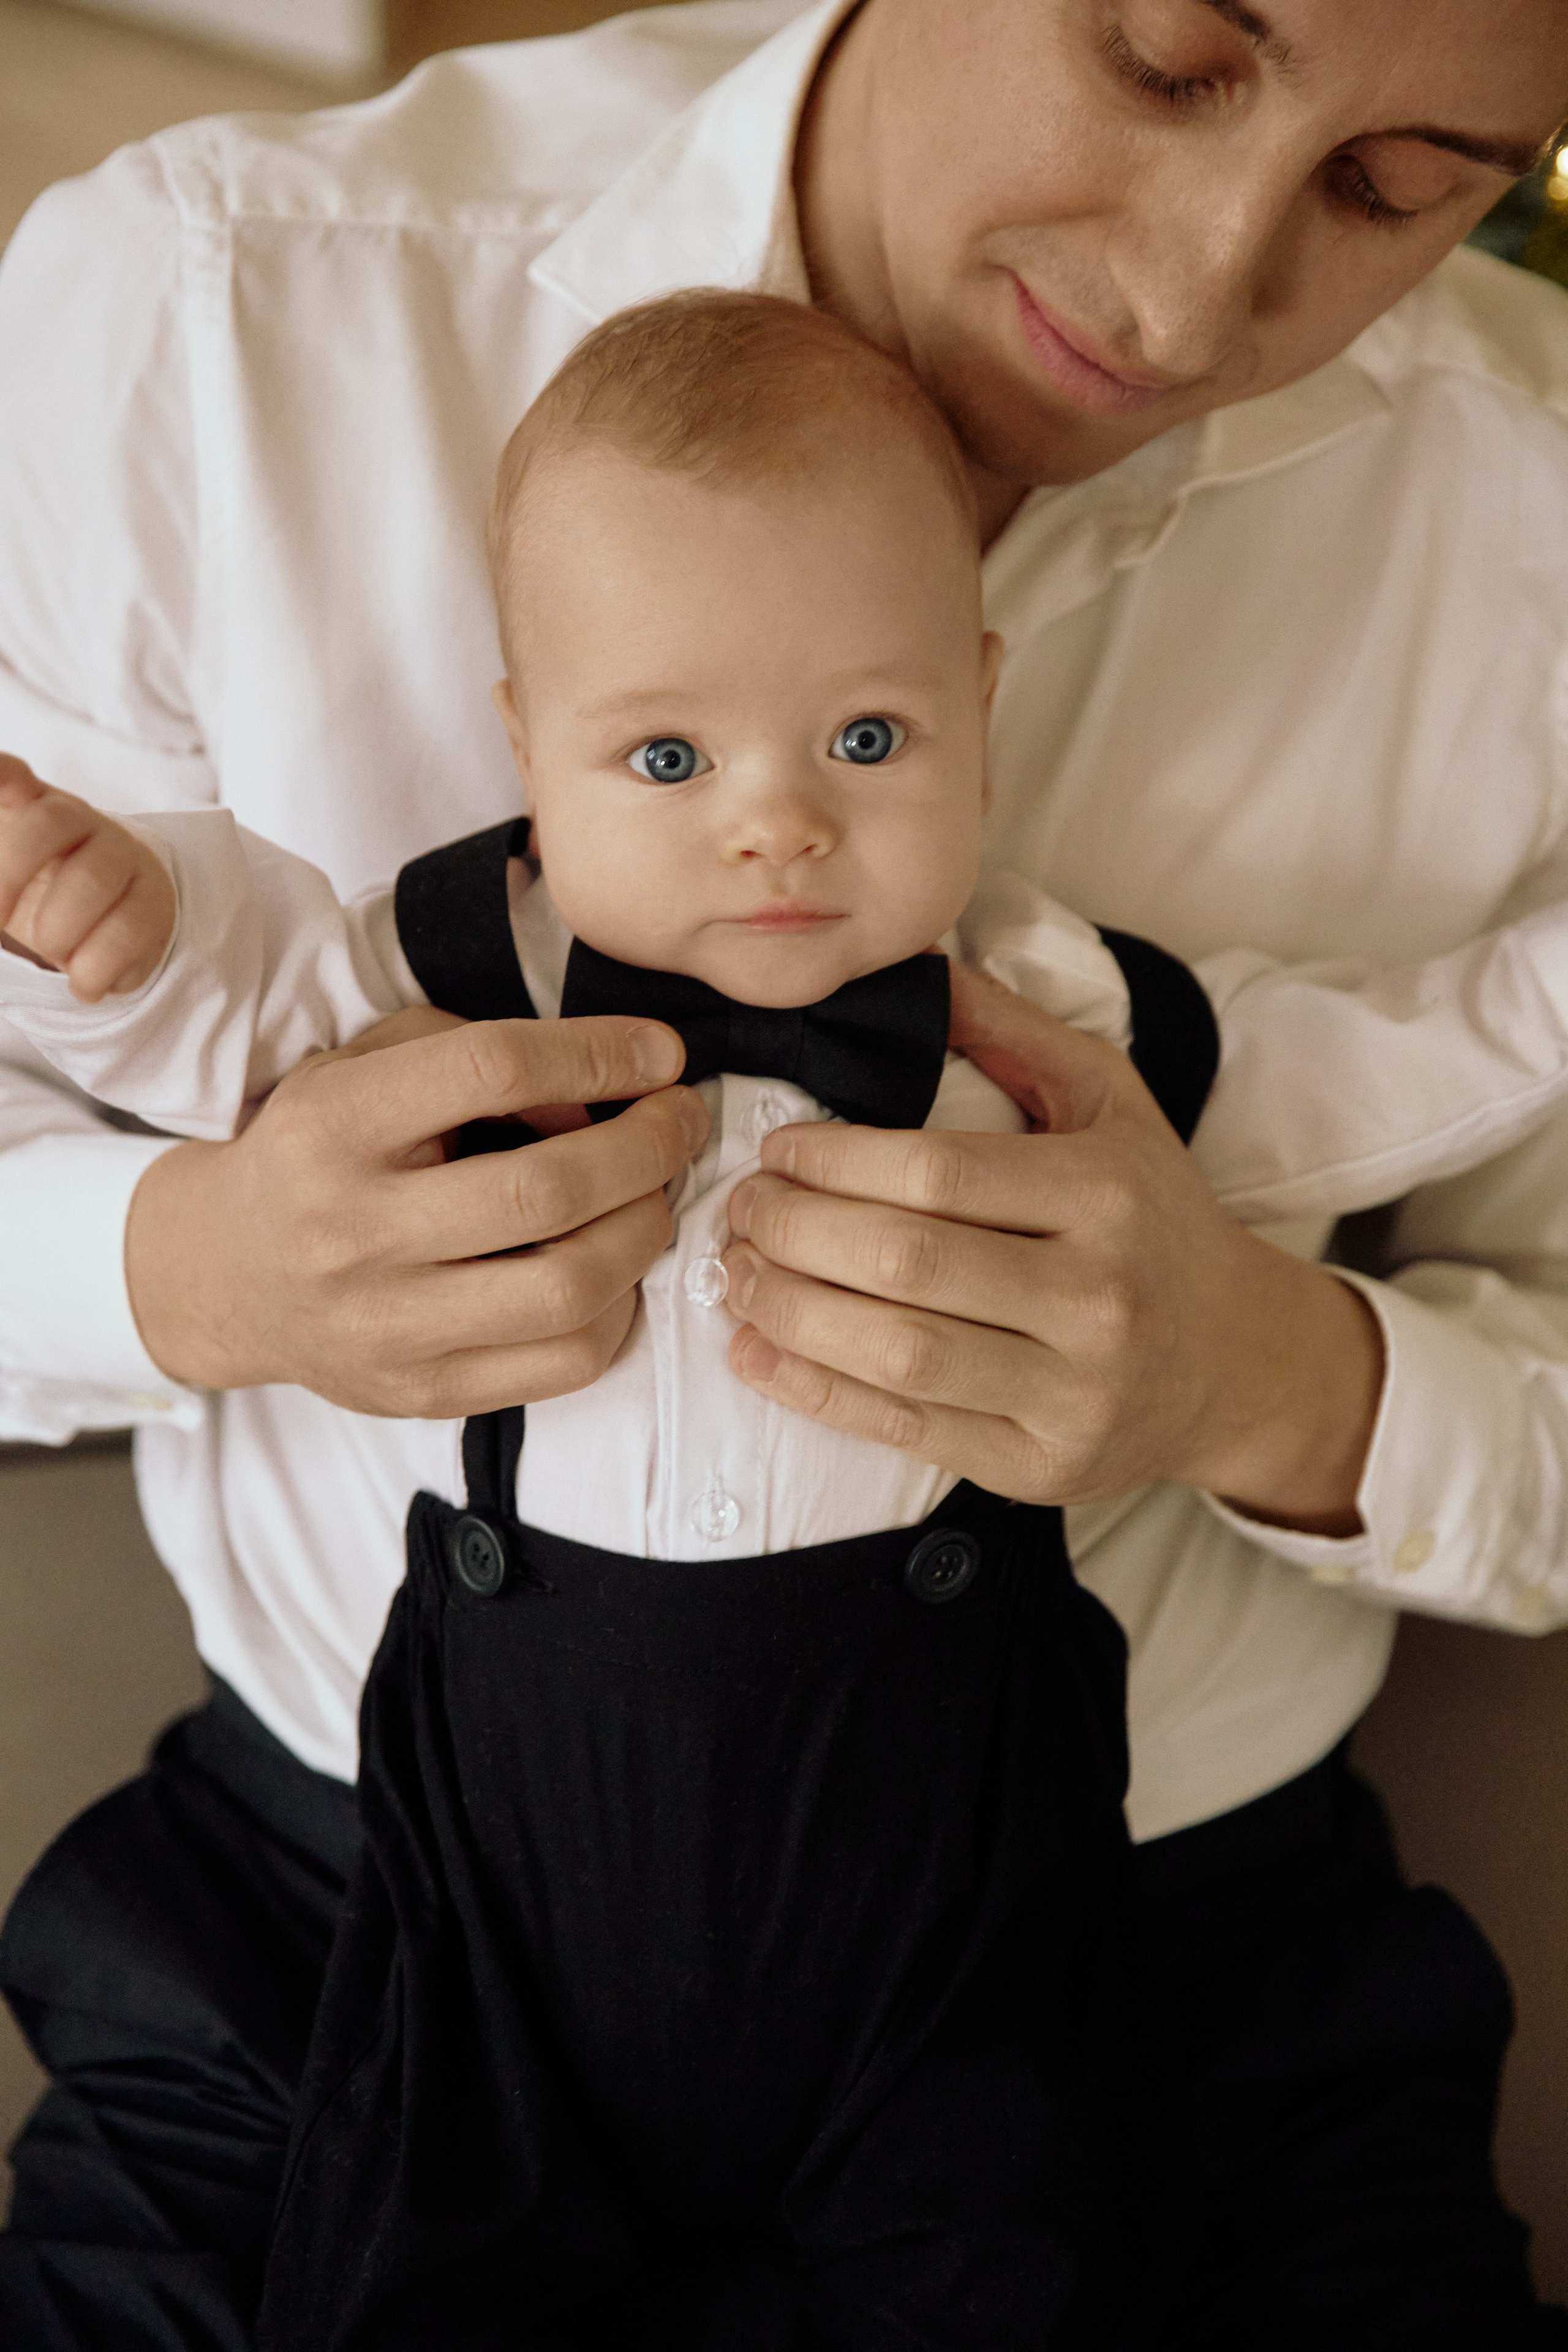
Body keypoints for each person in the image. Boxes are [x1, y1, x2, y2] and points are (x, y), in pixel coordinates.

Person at [2, 2, 1568, 2346]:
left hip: (1144, 1955)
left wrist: (1266, 1377)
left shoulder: (1526, 535)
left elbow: (1398, 1110)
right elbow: (192, 990)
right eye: (1165, 59)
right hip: (356, 1934)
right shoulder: (213, 302)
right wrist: (195, 1265)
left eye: (1404, 181)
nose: (1191, 290)